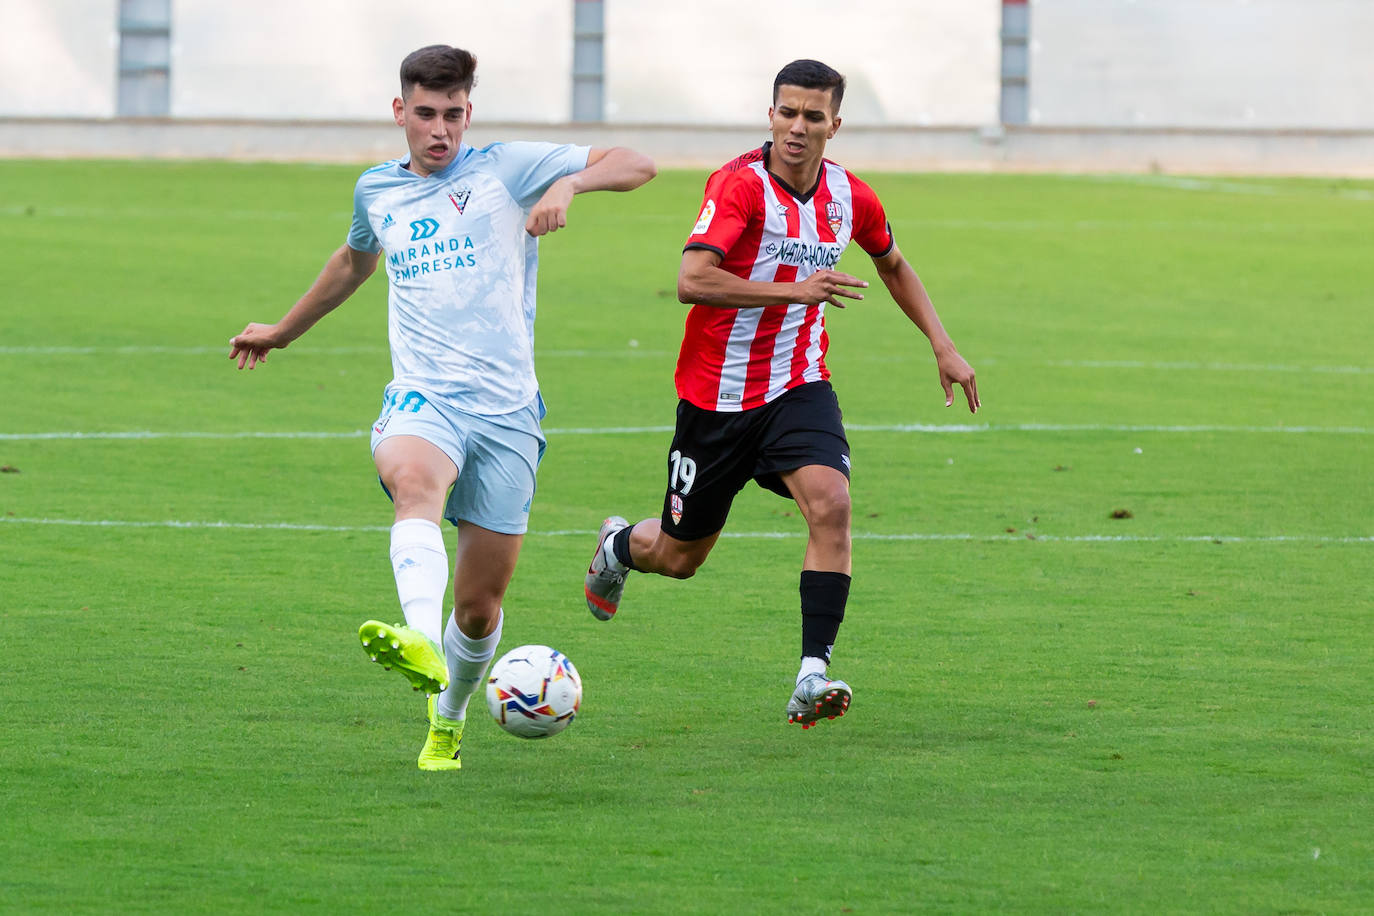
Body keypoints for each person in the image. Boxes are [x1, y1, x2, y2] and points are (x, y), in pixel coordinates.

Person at [230, 45, 656, 770]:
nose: (440, 130)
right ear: (400, 112)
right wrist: (282, 330)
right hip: (425, 395)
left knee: (481, 607)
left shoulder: (507, 168)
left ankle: (448, 717)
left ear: (469, 112)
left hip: (508, 413)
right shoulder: (378, 191)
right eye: (425, 114)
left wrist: (572, 186)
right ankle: (416, 637)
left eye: (452, 115)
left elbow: (638, 162)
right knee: (413, 481)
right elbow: (354, 260)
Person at [584, 59, 978, 730]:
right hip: (715, 399)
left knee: (831, 504)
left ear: (835, 125)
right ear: (771, 115)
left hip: (798, 387)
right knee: (679, 559)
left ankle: (811, 675)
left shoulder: (852, 197)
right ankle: (619, 548)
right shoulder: (738, 187)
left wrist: (941, 342)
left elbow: (893, 263)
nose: (798, 127)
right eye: (787, 112)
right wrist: (793, 291)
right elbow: (692, 280)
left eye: (812, 116)